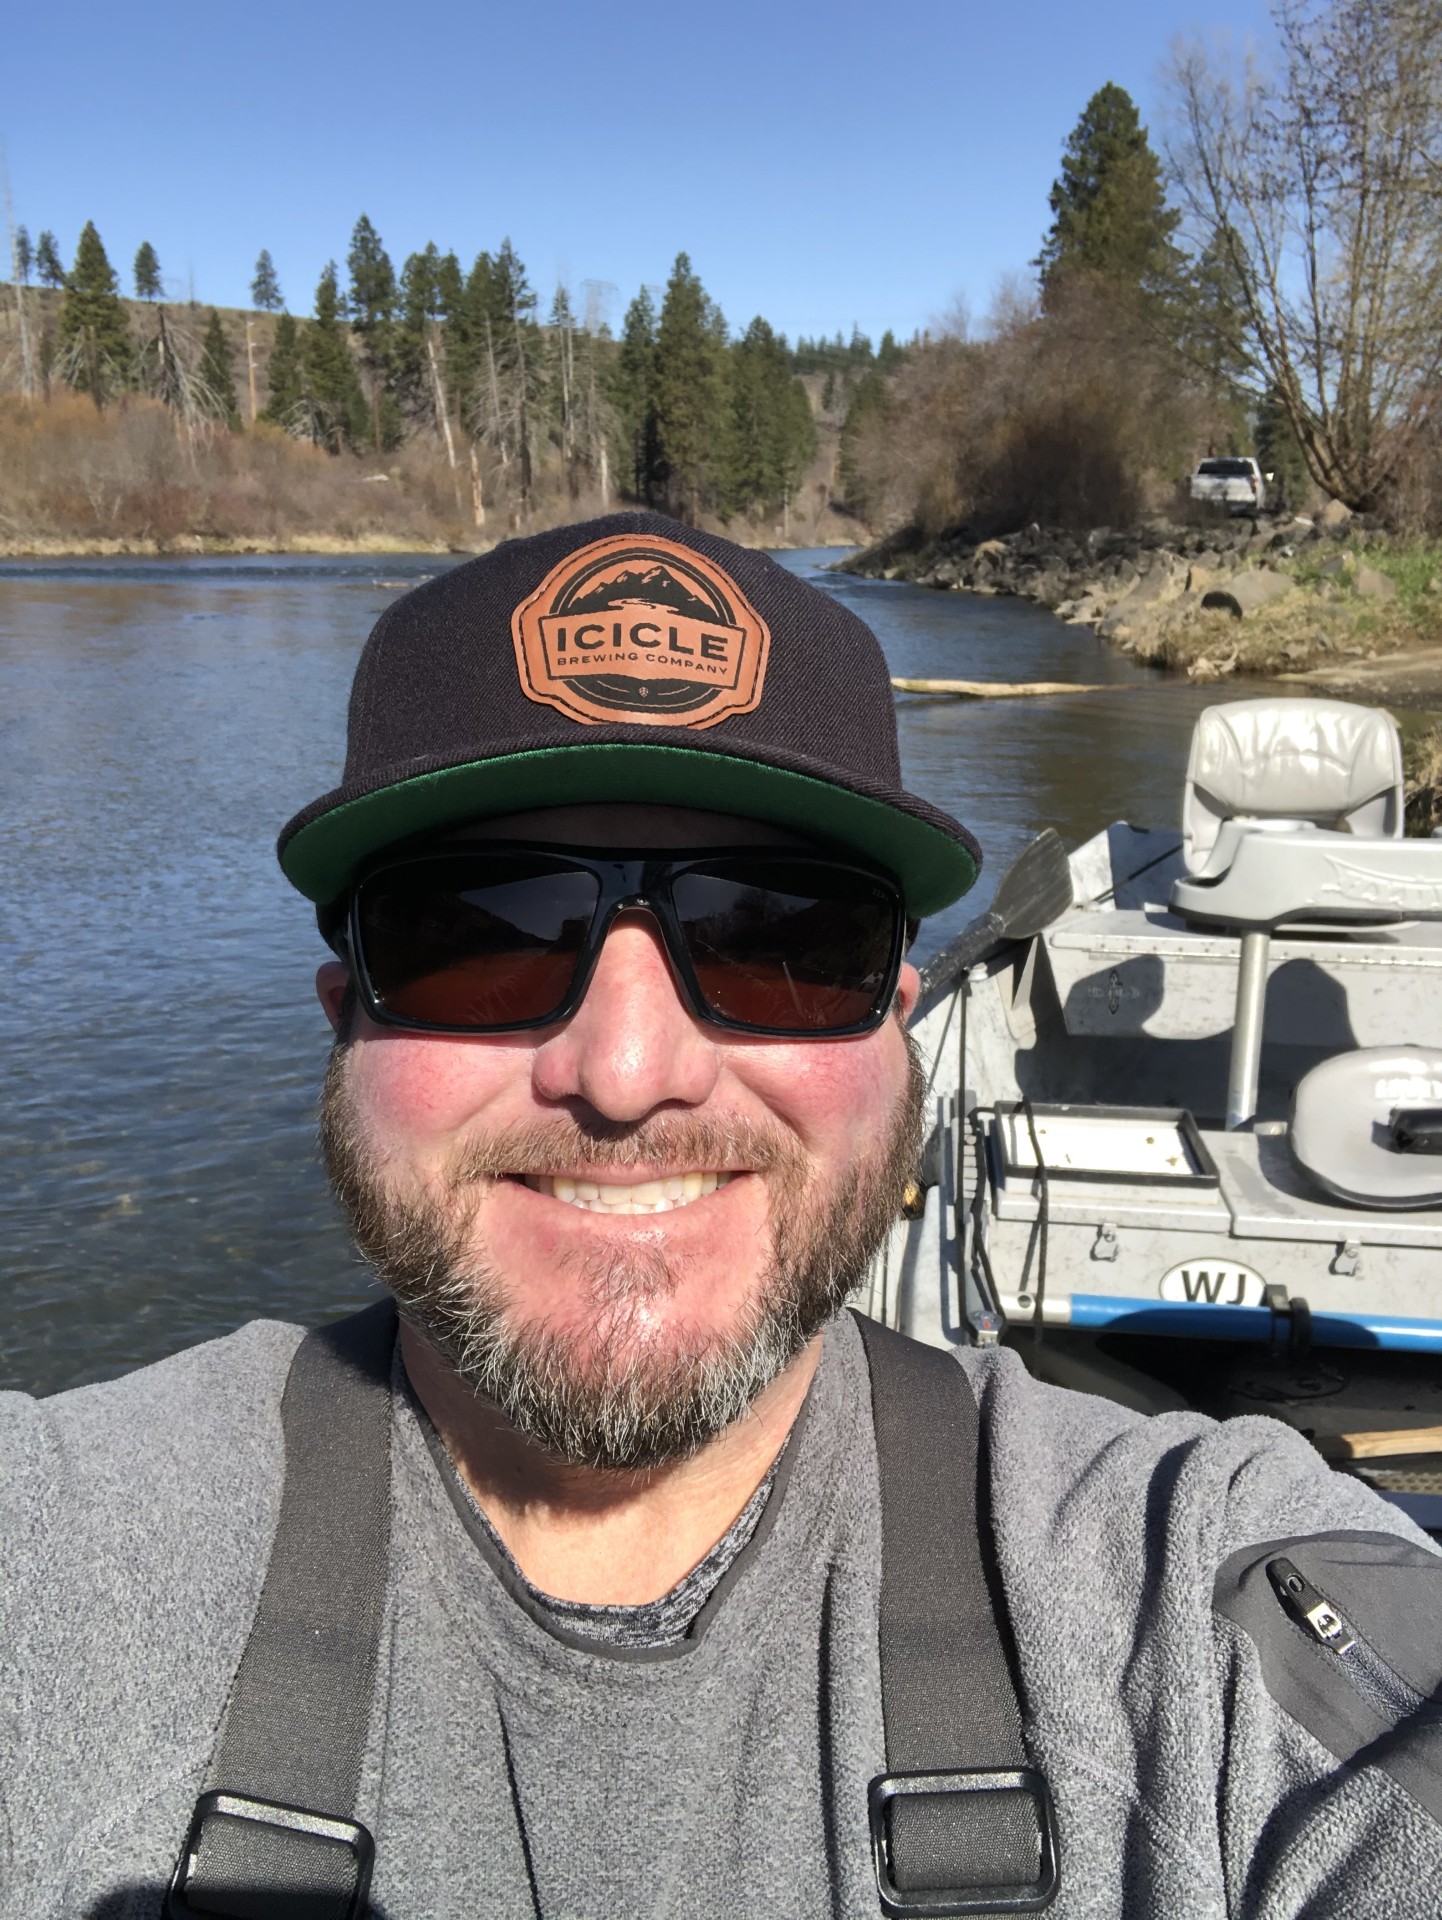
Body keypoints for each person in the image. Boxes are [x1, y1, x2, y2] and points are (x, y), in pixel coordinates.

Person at [3, 512, 1440, 1920]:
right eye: (480, 938)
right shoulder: (59, 1552)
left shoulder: (1199, 1585)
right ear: (346, 1028)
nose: (628, 1077)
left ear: (896, 1025)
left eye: (780, 939)